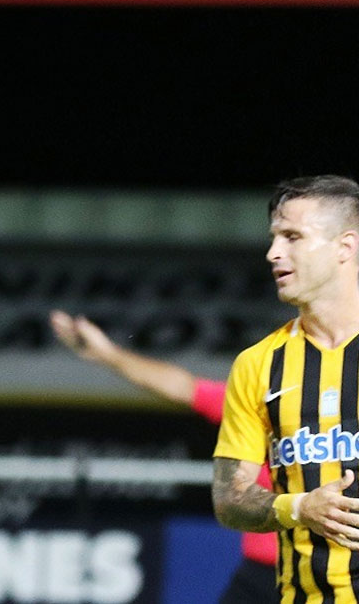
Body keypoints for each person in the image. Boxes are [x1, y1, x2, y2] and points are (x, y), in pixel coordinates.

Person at [49, 310, 278, 603]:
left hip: (319, 572)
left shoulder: (332, 410)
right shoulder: (254, 407)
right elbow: (184, 387)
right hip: (260, 573)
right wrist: (108, 354)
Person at [213, 174, 359, 601]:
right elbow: (229, 499)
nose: (273, 253)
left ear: (345, 247)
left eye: (293, 237)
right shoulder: (257, 364)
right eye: (274, 238)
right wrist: (299, 507)